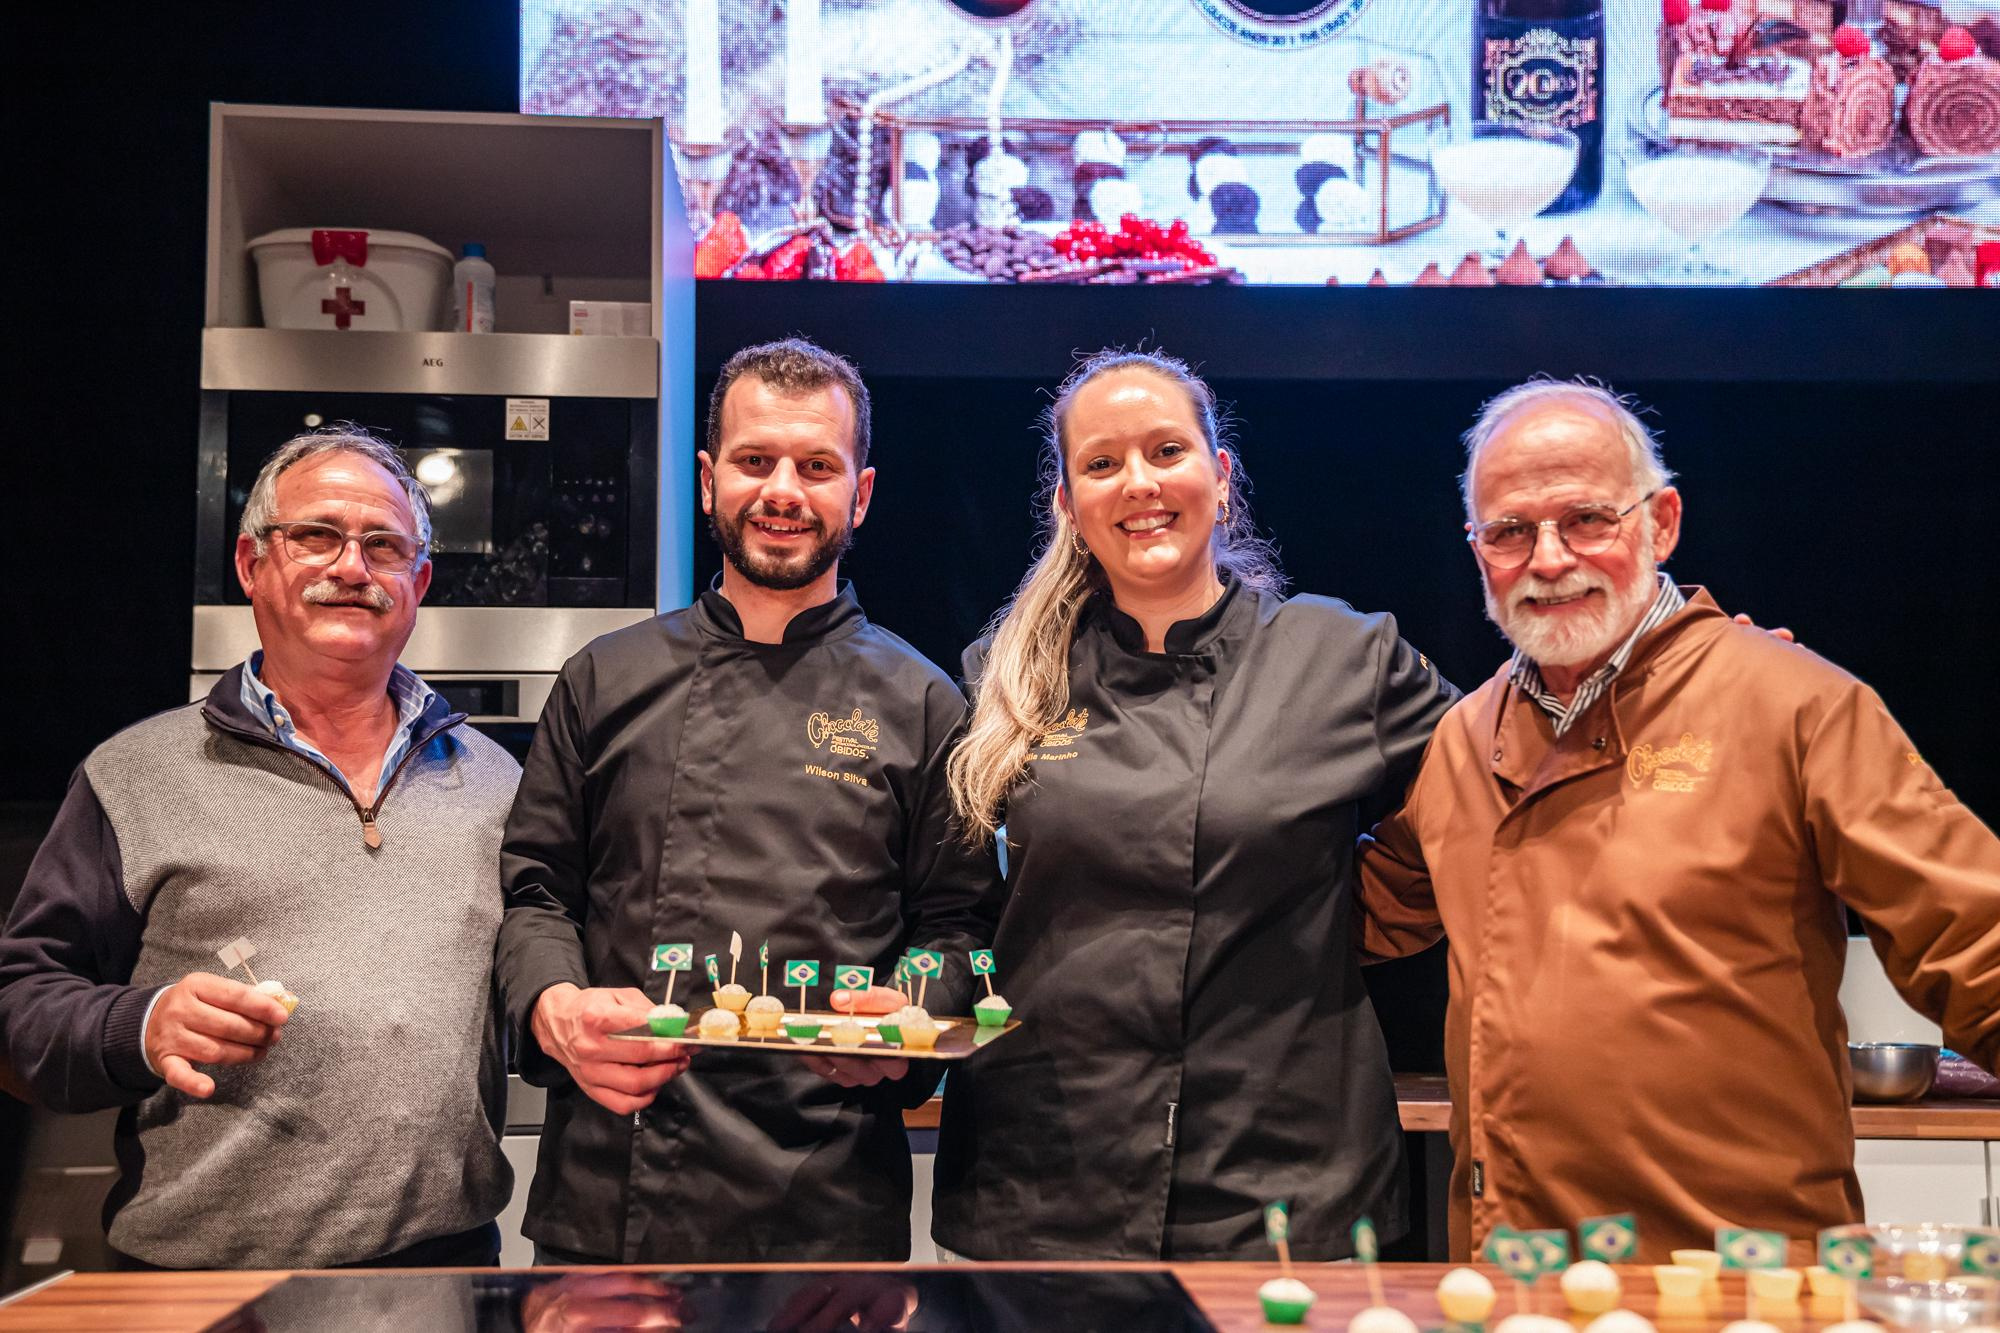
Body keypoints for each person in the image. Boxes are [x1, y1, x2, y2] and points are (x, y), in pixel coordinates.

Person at [1357, 379, 2000, 1262]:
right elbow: (1352, 911)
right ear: (1477, 551)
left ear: (1661, 522)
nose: (1548, 558)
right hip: (1518, 1279)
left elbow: (1979, 940)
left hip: (1749, 1283)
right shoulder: (1463, 740)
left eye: (1587, 518)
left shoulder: (1795, 705)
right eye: (1509, 530)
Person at [932, 349, 1458, 1260]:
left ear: (1222, 476)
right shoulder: (1001, 679)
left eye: (1167, 451)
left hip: (1289, 1185)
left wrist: (1681, 678)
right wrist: (902, 1005)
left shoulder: (1346, 658)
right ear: (1067, 505)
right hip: (1042, 1186)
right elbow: (956, 914)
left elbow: (1504, 779)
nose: (1139, 482)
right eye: (1101, 464)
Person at [498, 337, 1000, 1264]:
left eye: (817, 465)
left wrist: (904, 1012)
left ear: (862, 493)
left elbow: (962, 924)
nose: (782, 490)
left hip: (827, 1206)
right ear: (707, 479)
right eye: (754, 460)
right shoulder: (606, 678)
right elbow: (537, 893)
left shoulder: (924, 702)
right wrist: (553, 1003)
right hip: (613, 1189)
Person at [0, 427, 518, 1269]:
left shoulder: (494, 782)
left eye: (384, 545)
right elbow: (18, 1004)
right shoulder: (134, 774)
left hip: (445, 1270)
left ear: (418, 581)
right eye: (317, 535)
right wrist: (142, 1025)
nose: (353, 567)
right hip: (200, 1282)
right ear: (251, 565)